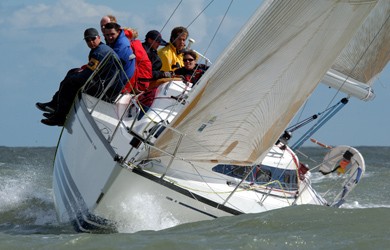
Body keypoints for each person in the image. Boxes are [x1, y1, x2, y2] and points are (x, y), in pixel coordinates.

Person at [36, 28, 121, 126]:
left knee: (70, 82)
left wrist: (75, 77)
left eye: (93, 39)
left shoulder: (99, 53)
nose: (91, 42)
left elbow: (85, 77)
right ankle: (55, 104)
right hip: (103, 83)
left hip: (104, 89)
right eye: (87, 40)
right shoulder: (101, 48)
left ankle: (60, 117)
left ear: (99, 37)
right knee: (72, 72)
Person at [103, 22, 136, 90]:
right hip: (118, 81)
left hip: (120, 86)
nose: (110, 37)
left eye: (112, 34)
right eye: (107, 35)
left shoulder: (121, 47)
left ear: (118, 32)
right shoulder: (115, 41)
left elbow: (108, 65)